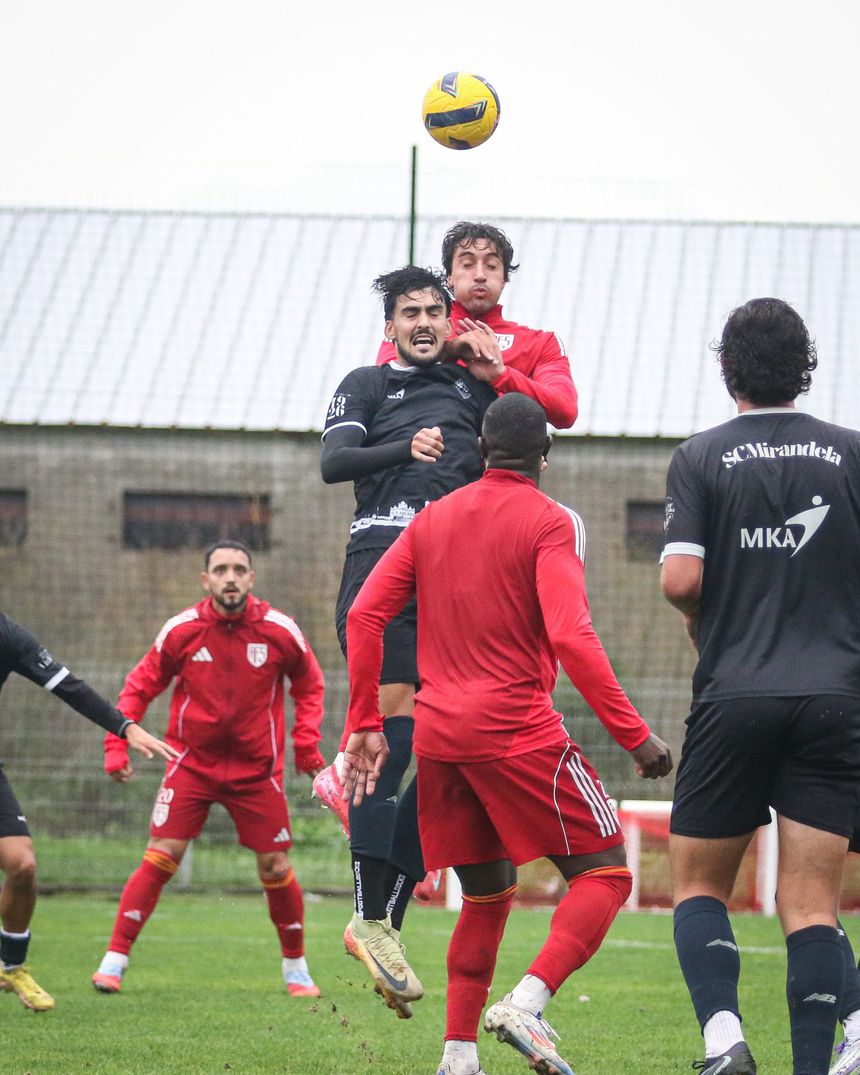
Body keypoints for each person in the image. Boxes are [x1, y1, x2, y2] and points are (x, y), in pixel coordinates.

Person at [341, 392, 672, 1075]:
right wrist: (637, 737)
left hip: (439, 740)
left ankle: (457, 1056)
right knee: (606, 873)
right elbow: (571, 635)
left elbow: (364, 616)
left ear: (482, 452)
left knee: (488, 893)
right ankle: (528, 1001)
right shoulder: (552, 521)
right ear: (544, 458)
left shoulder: (432, 519)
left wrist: (364, 722)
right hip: (518, 731)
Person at [660, 298, 860, 1075]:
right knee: (814, 903)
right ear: (804, 366)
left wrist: (712, 615)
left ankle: (725, 1043)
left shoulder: (702, 456)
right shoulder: (850, 453)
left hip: (734, 694)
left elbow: (681, 578)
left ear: (727, 368)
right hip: (836, 697)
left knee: (700, 884)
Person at [317, 264, 497, 1019]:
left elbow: (541, 422)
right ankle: (367, 910)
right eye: (409, 312)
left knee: (459, 760)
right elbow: (333, 463)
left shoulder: (475, 389)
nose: (423, 321)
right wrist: (403, 449)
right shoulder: (367, 384)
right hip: (381, 571)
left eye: (433, 310)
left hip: (453, 585)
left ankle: (382, 919)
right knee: (386, 742)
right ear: (389, 325)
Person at [91, 540, 326, 998]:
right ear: (206, 580)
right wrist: (116, 745)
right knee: (161, 854)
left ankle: (296, 968)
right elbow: (137, 689)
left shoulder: (279, 630)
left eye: (239, 568)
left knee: (276, 865)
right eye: (221, 569)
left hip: (257, 771)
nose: (231, 577)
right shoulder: (182, 630)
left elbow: (310, 685)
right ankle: (113, 960)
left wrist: (306, 743)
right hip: (190, 765)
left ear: (252, 578)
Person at [0, 613, 175, 1011]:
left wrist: (125, 727)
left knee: (22, 864)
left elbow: (69, 687)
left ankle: (11, 967)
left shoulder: (8, 636)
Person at [376, 220, 578, 431]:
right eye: (467, 264)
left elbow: (565, 411)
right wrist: (451, 350)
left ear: (504, 279)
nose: (480, 275)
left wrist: (501, 375)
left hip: (494, 460)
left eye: (491, 266)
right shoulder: (413, 326)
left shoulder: (541, 343)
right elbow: (387, 377)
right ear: (449, 277)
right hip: (420, 453)